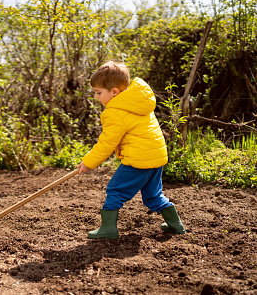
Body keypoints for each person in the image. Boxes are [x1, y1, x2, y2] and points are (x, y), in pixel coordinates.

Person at [77, 61, 185, 239]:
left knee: (115, 189)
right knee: (153, 194)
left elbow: (106, 144)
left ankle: (108, 229)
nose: (96, 97)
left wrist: (89, 163)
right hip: (155, 156)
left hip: (138, 159)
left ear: (114, 92)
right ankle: (175, 224)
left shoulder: (115, 112)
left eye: (98, 93)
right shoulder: (138, 102)